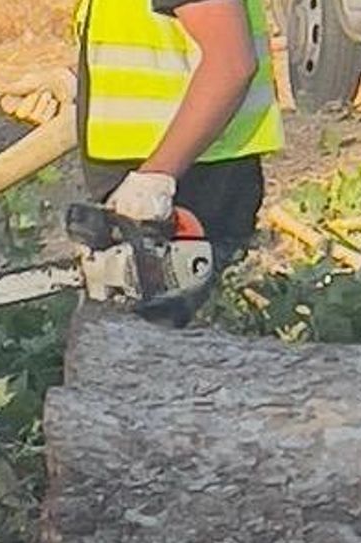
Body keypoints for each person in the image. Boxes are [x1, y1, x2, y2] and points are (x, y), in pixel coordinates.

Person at [74, 0, 285, 326]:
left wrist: (155, 179)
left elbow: (230, 63)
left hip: (189, 183)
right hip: (154, 180)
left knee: (175, 354)